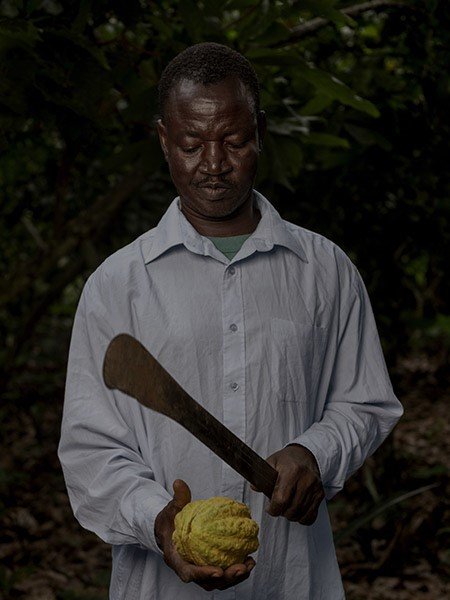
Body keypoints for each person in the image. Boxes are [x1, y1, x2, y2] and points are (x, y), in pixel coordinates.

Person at [58, 43, 403, 599]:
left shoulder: (326, 271)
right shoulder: (117, 284)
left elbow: (365, 403)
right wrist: (159, 521)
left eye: (235, 141)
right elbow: (90, 448)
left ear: (260, 131)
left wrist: (314, 451)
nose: (213, 164)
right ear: (165, 140)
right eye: (192, 144)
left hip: (291, 579)